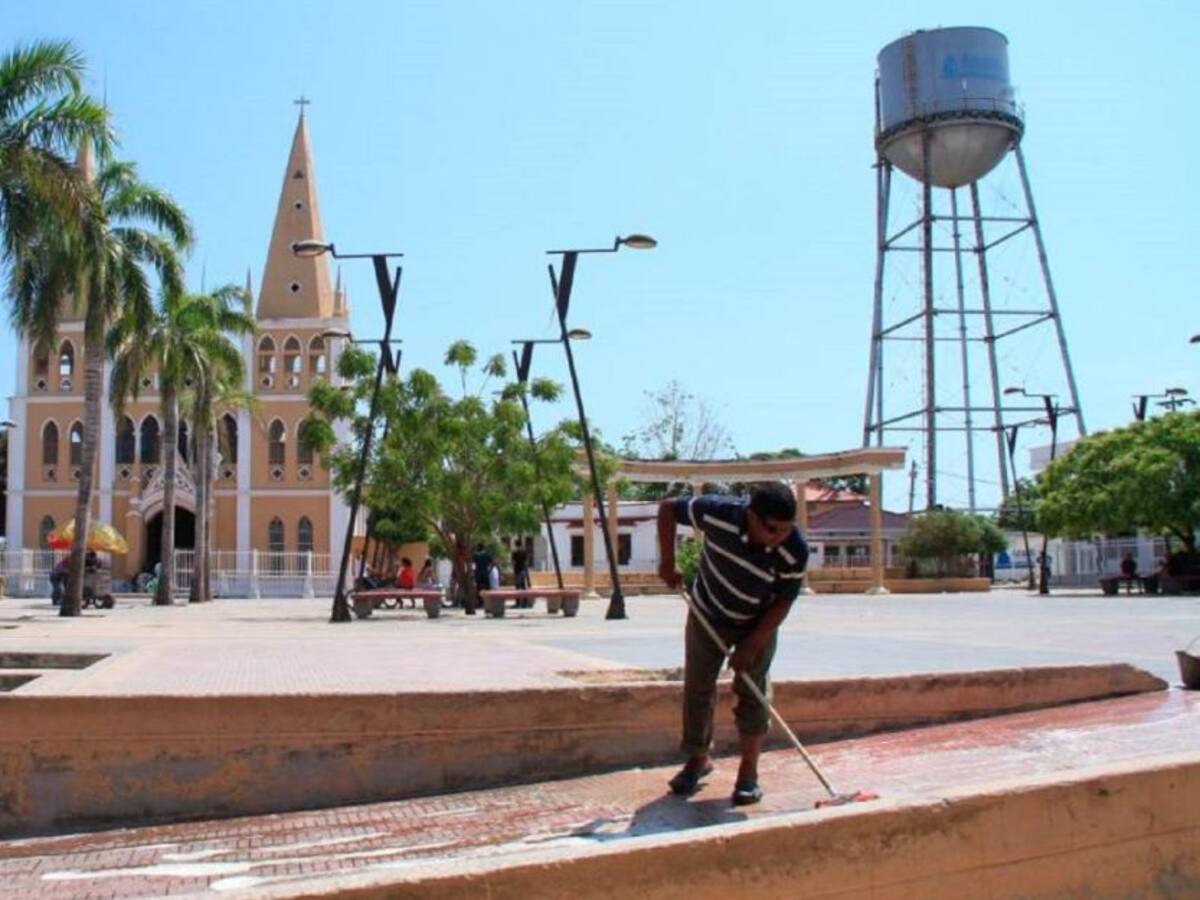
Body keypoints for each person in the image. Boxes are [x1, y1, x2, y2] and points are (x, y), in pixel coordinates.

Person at [657, 482, 809, 807]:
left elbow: (784, 600)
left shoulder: (794, 550)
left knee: (753, 691)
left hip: (758, 621)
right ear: (751, 516)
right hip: (707, 612)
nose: (778, 536)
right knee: (698, 687)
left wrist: (752, 644)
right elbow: (669, 509)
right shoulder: (719, 513)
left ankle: (748, 774)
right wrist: (667, 562)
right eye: (772, 529)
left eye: (786, 529)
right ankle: (698, 759)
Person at [470, 543, 492, 615]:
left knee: (479, 588)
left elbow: (473, 564)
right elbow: (492, 563)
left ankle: (480, 602)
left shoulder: (475, 555)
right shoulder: (487, 554)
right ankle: (488, 602)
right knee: (487, 588)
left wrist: (473, 572)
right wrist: (489, 571)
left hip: (478, 573)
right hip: (485, 573)